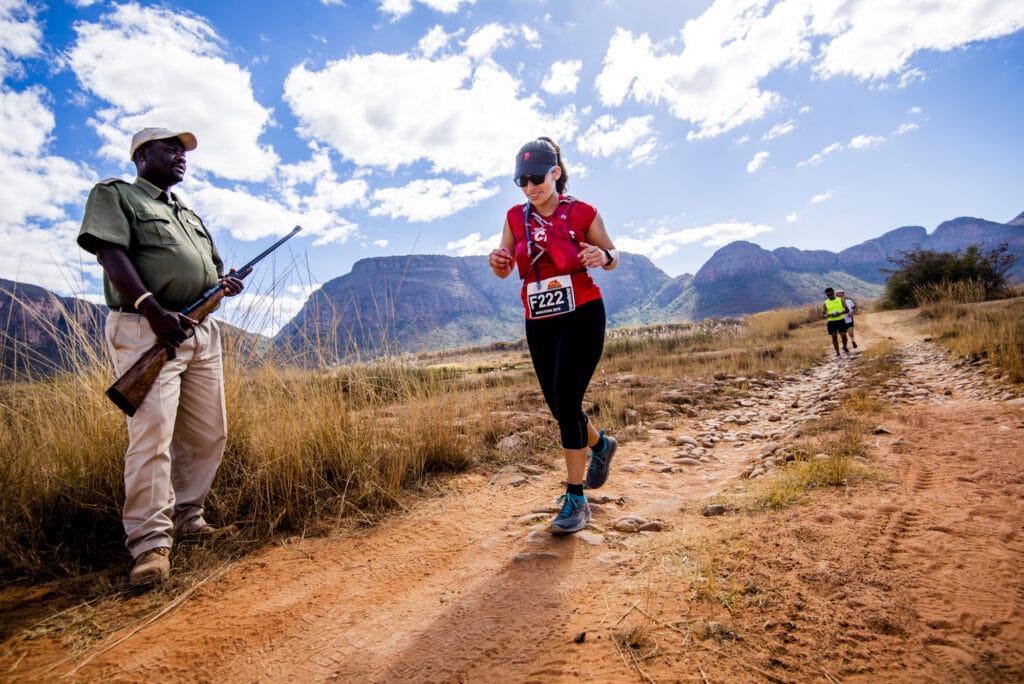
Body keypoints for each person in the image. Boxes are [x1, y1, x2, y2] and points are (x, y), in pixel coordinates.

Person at [77, 127, 244, 587]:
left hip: (200, 330)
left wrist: (222, 285)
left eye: (183, 151)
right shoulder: (118, 196)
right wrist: (152, 309)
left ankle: (189, 517)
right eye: (169, 149)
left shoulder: (187, 214)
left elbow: (208, 268)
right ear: (141, 154)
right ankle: (150, 545)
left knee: (210, 431)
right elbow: (110, 253)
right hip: (147, 330)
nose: (180, 156)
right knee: (151, 436)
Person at [488, 137, 619, 535]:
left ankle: (575, 497)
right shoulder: (515, 218)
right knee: (559, 405)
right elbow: (504, 268)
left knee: (567, 398)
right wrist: (498, 262)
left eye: (536, 178)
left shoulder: (583, 212)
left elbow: (611, 255)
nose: (529, 187)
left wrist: (602, 256)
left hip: (582, 311)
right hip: (539, 318)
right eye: (521, 180)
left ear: (555, 173)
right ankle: (600, 446)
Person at [821, 287, 851, 358]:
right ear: (826, 295)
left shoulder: (840, 300)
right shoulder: (825, 303)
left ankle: (844, 347)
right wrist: (829, 315)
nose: (830, 296)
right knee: (834, 337)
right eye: (828, 295)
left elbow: (847, 310)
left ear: (833, 293)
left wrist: (840, 313)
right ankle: (838, 354)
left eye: (831, 294)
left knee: (844, 336)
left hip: (841, 320)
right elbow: (822, 315)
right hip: (831, 322)